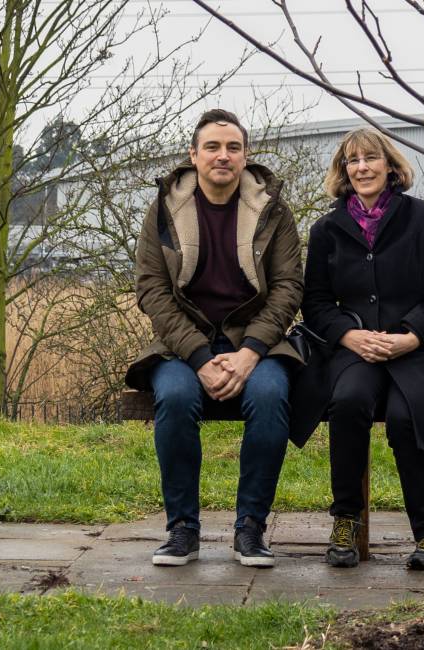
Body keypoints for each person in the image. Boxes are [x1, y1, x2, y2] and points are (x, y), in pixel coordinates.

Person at [125, 109, 303, 568]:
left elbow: (288, 288)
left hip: (256, 345)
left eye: (233, 148)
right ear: (193, 155)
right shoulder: (164, 210)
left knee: (270, 395)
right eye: (213, 147)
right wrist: (200, 356)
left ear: (245, 156)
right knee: (176, 396)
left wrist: (250, 353)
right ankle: (182, 529)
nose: (223, 156)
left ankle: (251, 529)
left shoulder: (273, 212)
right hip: (182, 348)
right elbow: (152, 289)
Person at [300, 127, 424, 571]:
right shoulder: (327, 229)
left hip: (421, 349)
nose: (362, 167)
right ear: (343, 171)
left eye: (371, 158)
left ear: (390, 165)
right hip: (355, 348)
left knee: (406, 418)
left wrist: (411, 334)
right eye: (353, 161)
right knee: (349, 403)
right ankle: (346, 522)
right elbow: (313, 302)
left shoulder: (423, 218)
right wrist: (349, 336)